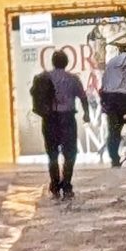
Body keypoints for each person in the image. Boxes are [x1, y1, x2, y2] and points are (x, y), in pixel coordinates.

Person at [32, 46, 91, 198]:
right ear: (66, 62)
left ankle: (55, 184)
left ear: (53, 62)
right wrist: (86, 114)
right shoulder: (73, 79)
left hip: (50, 118)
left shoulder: (44, 77)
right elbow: (83, 97)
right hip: (67, 118)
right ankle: (67, 183)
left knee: (52, 153)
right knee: (70, 152)